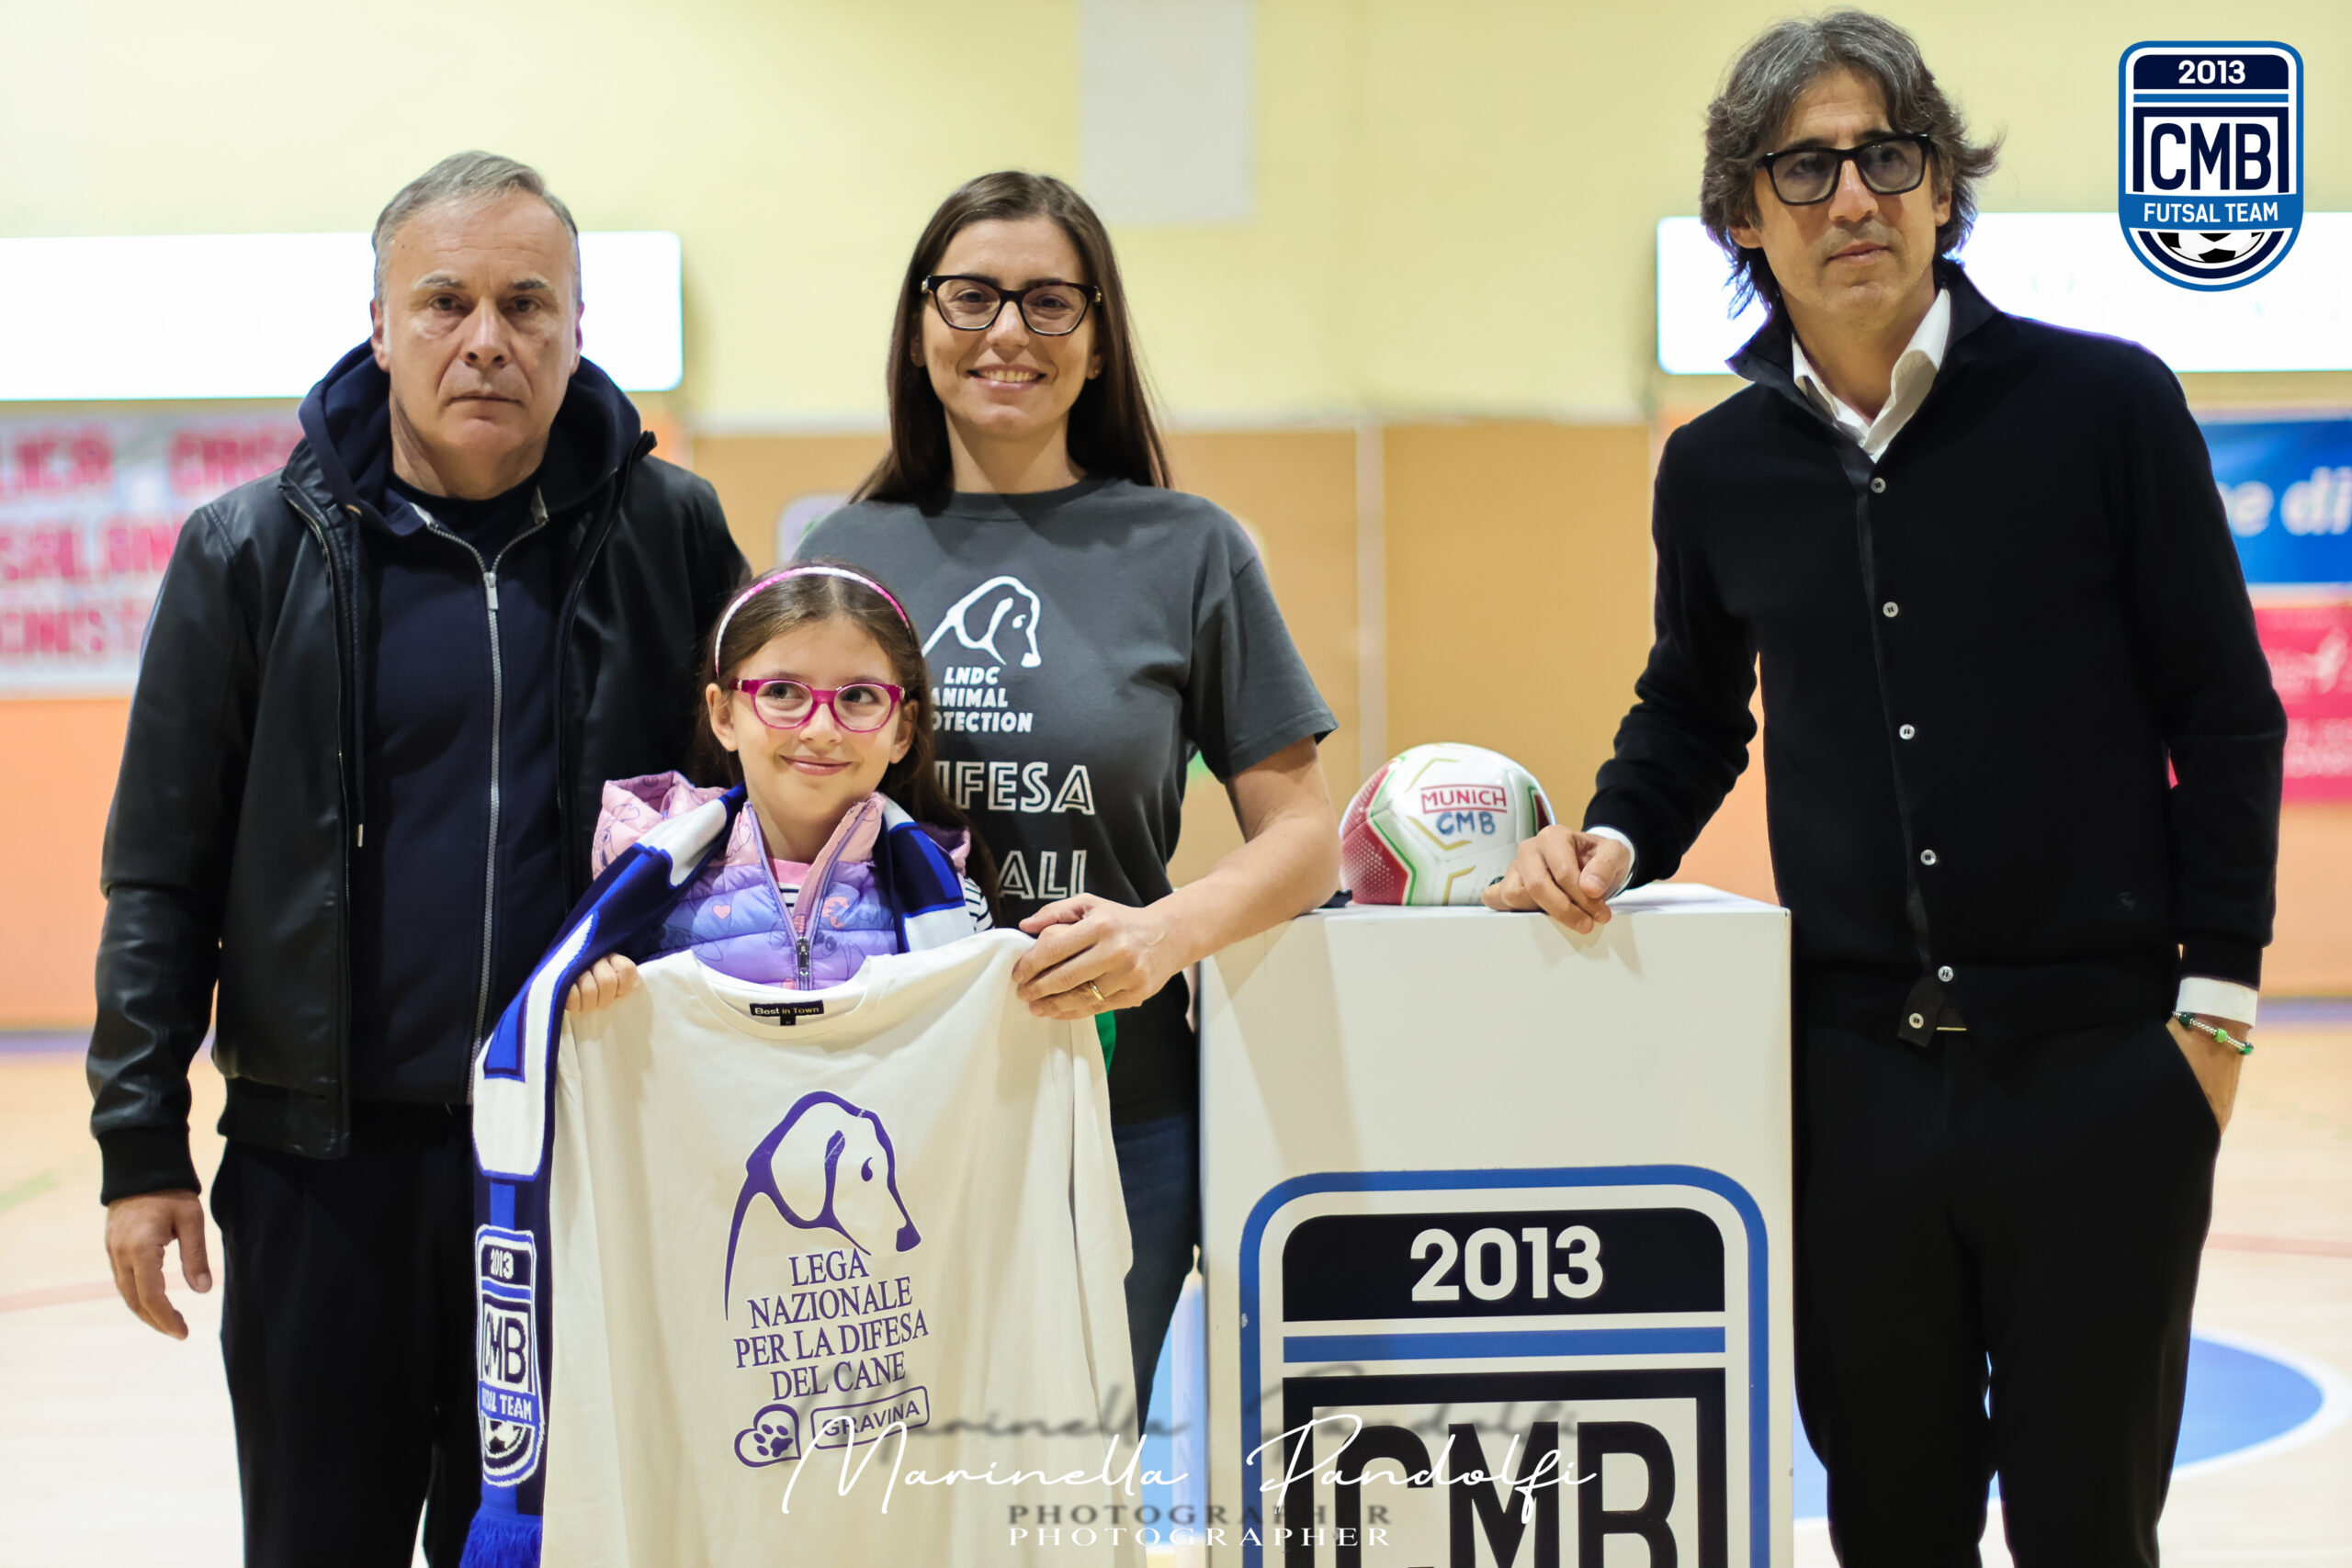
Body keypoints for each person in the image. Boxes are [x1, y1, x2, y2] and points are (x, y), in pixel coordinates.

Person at [1486, 14, 2283, 1564]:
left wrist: (2217, 1013)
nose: (1852, 198)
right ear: (1746, 214)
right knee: (1888, 1526)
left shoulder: (2107, 407)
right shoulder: (1716, 470)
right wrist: (1615, 827)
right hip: (1849, 1087)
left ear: (1939, 190)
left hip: (2103, 1074)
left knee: (2087, 1532)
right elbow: (1693, 706)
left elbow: (2228, 713)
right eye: (1806, 167)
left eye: (1886, 157)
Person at [88, 152, 747, 1565]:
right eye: (444, 300)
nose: (486, 338)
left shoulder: (670, 532)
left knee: (550, 1546)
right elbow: (161, 869)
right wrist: (137, 1140)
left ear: (578, 327)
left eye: (528, 303)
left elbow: (759, 791)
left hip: (582, 1163)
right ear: (380, 324)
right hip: (324, 1169)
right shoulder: (248, 552)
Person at [797, 170, 1341, 1425]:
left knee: (1062, 1488)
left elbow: (1306, 833)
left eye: (1049, 302)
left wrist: (1164, 934)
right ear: (921, 321)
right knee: (893, 1499)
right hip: (884, 1106)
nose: (1006, 332)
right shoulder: (846, 550)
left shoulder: (1188, 547)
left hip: (1122, 1106)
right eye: (972, 295)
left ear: (1096, 339)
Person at [563, 562, 996, 1017]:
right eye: (783, 691)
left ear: (903, 729)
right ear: (725, 716)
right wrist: (586, 992)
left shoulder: (957, 905)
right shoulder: (636, 894)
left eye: (859, 696)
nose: (822, 730)